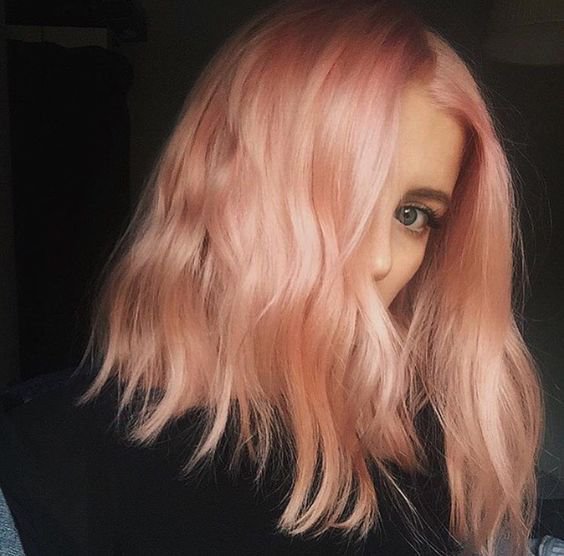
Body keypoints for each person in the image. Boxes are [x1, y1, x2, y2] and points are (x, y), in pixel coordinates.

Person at [0, 0, 545, 554]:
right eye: (338, 195)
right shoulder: (46, 470)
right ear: (219, 188)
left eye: (413, 215)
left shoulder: (443, 455)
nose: (380, 259)